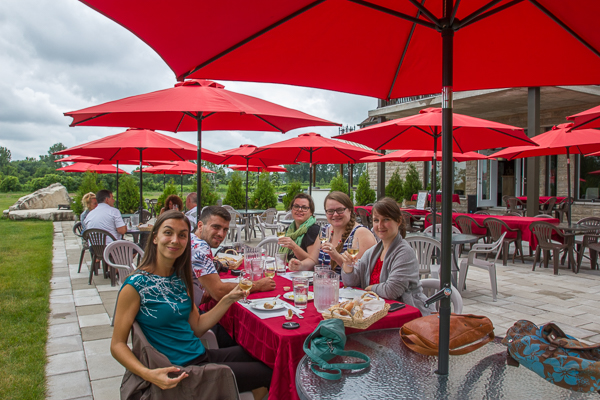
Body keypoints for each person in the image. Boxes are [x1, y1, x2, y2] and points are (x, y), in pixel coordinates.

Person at [111, 210, 271, 399]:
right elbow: (117, 345)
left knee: (267, 355)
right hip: (183, 371)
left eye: (182, 235)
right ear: (155, 238)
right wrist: (148, 374)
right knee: (268, 373)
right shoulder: (135, 285)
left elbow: (197, 327)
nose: (175, 240)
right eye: (168, 232)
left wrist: (229, 298)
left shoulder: (179, 278)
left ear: (188, 240)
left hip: (199, 355)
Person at [340, 197, 431, 316]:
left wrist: (370, 289)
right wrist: (348, 266)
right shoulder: (372, 252)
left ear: (398, 221)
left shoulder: (404, 252)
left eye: (386, 219)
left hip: (405, 314)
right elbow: (351, 282)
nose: (380, 225)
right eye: (376, 220)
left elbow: (392, 290)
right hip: (375, 313)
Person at [191, 206, 276, 307]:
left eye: (225, 229)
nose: (221, 234)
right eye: (216, 227)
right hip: (184, 317)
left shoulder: (191, 238)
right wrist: (258, 285)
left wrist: (208, 286)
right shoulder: (200, 248)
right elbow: (218, 291)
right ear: (200, 226)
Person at [291, 191, 376, 273]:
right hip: (325, 284)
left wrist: (336, 257)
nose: (335, 214)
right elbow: (313, 260)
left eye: (340, 210)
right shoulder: (325, 230)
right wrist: (300, 265)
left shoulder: (361, 233)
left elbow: (358, 272)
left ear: (350, 210)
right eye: (330, 211)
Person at [278, 193, 320, 266]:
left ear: (311, 212)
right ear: (291, 210)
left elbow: (313, 262)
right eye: (296, 206)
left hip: (305, 274)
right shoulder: (288, 230)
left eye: (304, 208)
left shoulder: (313, 230)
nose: (299, 210)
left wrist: (294, 247)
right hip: (289, 270)